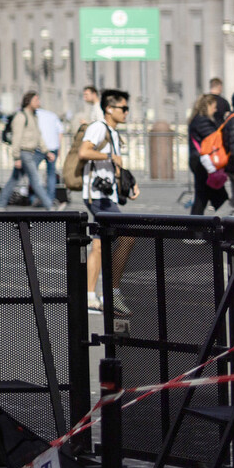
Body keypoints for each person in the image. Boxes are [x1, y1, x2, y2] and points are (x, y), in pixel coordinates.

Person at [78, 89, 138, 314]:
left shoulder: (112, 132)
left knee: (99, 244)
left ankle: (92, 295)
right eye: (123, 108)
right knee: (126, 236)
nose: (126, 112)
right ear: (109, 109)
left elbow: (116, 164)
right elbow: (84, 152)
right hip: (97, 195)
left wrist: (130, 182)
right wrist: (108, 157)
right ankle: (111, 292)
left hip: (107, 194)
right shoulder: (98, 127)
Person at [2, 91, 56, 209]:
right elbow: (16, 138)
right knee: (35, 180)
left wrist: (46, 151)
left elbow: (38, 136)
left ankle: (0, 204)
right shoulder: (21, 116)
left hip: (32, 152)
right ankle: (49, 206)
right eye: (36, 100)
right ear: (28, 101)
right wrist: (16, 157)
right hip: (24, 152)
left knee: (14, 180)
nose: (39, 102)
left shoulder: (34, 116)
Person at [186, 92, 231, 215]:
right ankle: (224, 229)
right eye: (214, 107)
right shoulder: (202, 121)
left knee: (203, 197)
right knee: (219, 198)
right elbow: (214, 140)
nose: (216, 110)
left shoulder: (197, 119)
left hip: (199, 161)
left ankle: (196, 229)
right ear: (207, 106)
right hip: (204, 163)